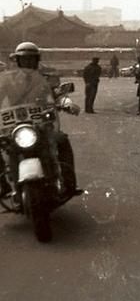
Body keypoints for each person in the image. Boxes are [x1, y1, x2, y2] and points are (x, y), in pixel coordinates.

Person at [0, 42, 81, 199]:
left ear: (37, 60)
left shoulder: (47, 79)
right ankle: (2, 184)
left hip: (40, 124)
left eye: (31, 59)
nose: (28, 63)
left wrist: (67, 103)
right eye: (24, 60)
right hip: (13, 125)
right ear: (17, 61)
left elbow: (58, 95)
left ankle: (69, 182)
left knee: (62, 140)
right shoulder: (8, 81)